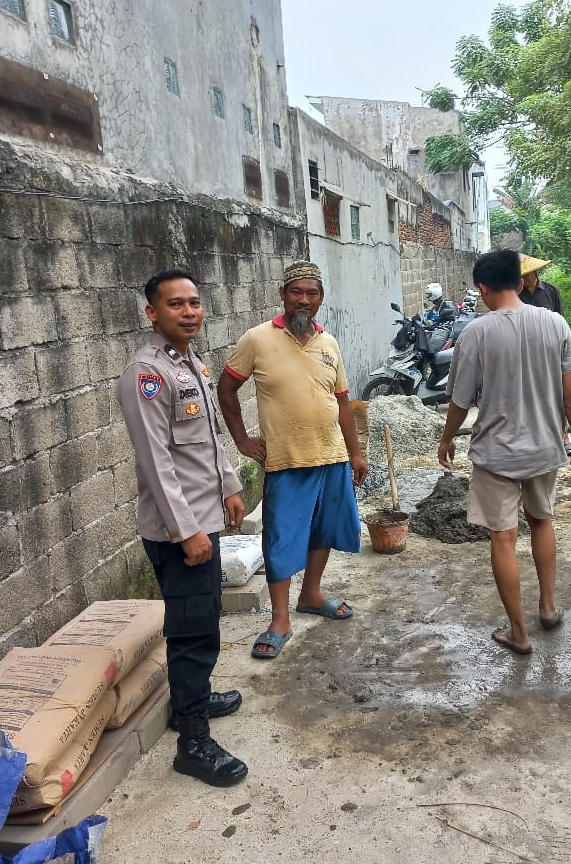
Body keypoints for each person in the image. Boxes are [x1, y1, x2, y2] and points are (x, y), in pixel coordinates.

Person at [117, 268, 248, 787]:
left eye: (194, 302)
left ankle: (191, 699)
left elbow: (208, 441)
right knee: (194, 631)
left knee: (202, 618)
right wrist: (188, 530)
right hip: (180, 531)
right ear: (152, 313)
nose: (189, 311)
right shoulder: (146, 374)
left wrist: (232, 486)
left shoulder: (188, 363)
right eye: (176, 304)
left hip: (203, 517)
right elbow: (155, 460)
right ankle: (192, 742)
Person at [437, 249, 571, 655]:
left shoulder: (475, 333)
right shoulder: (556, 324)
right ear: (521, 282)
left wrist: (447, 437)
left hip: (496, 452)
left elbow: (461, 399)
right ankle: (547, 606)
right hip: (545, 446)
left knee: (502, 538)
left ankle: (518, 632)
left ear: (483, 289)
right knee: (542, 521)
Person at [217, 261, 369, 660]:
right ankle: (280, 619)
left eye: (312, 293)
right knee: (282, 537)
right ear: (282, 294)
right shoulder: (256, 339)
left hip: (332, 455)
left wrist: (356, 453)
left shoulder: (329, 343)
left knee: (325, 530)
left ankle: (312, 593)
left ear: (321, 299)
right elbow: (226, 388)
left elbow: (342, 404)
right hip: (286, 460)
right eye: (297, 292)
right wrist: (242, 439)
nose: (304, 300)